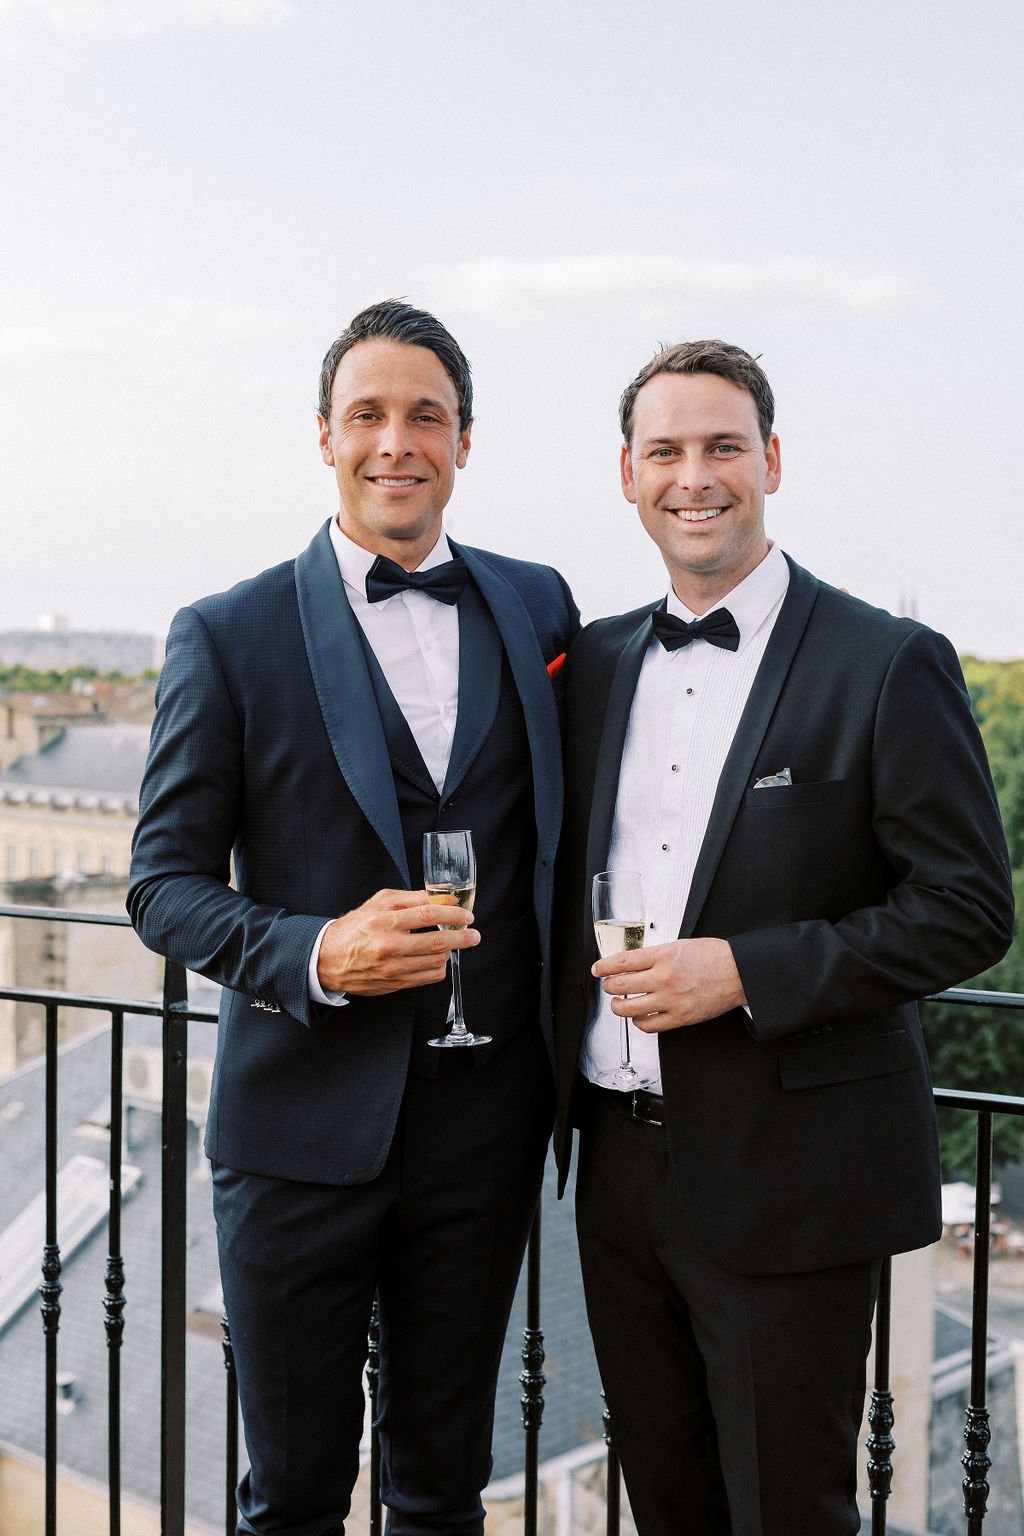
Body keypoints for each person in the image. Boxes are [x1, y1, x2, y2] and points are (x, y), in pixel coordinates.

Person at [128, 299, 579, 1536]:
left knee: (442, 1493)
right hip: (296, 1140)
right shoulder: (226, 633)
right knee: (292, 1499)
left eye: (424, 416)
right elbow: (160, 883)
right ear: (322, 439)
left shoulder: (539, 606)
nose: (397, 442)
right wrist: (316, 949)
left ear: (465, 441)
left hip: (485, 1132)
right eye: (367, 416)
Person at [553, 339, 1014, 1535]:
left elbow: (967, 908)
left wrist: (745, 972)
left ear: (770, 461)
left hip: (793, 1176)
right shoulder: (591, 661)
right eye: (664, 449)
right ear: (624, 472)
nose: (692, 476)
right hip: (613, 1166)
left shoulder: (884, 661)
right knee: (669, 1503)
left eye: (720, 447)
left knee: (786, 1514)